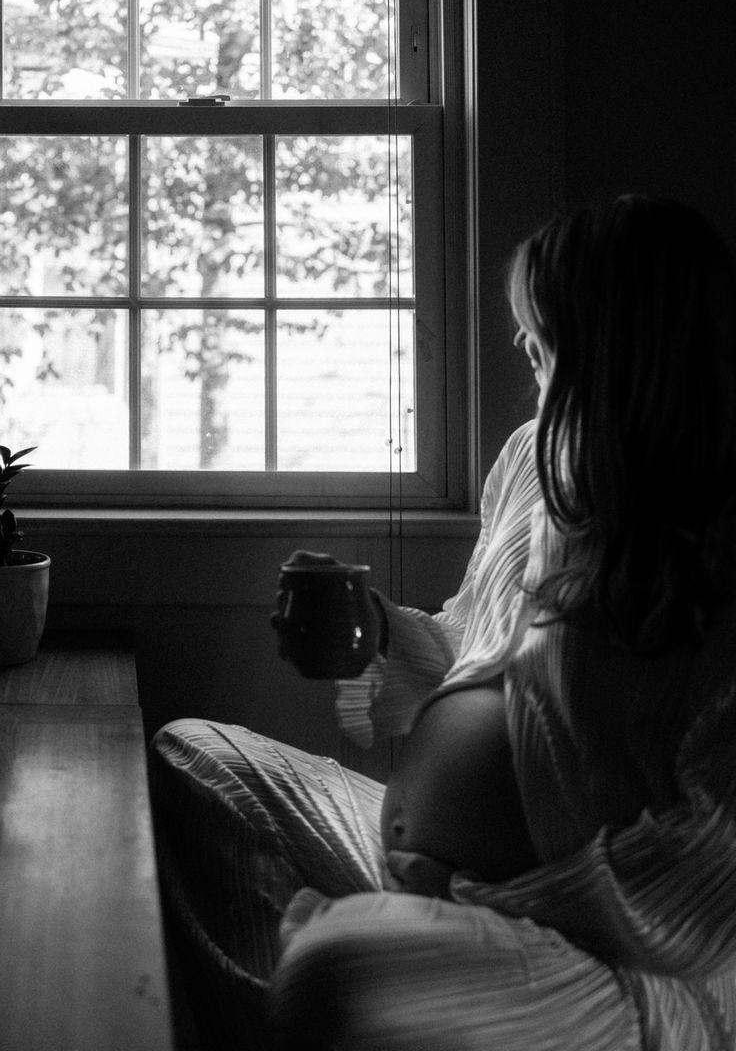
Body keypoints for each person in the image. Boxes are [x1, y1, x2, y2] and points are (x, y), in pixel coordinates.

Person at [149, 194, 736, 1051]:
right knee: (195, 759)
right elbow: (474, 649)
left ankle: (363, 961)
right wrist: (379, 627)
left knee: (335, 977)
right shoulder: (534, 462)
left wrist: (501, 892)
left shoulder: (721, 542)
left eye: (545, 337)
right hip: (429, 872)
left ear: (625, 348)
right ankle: (377, 961)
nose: (521, 350)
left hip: (603, 953)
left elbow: (709, 872)